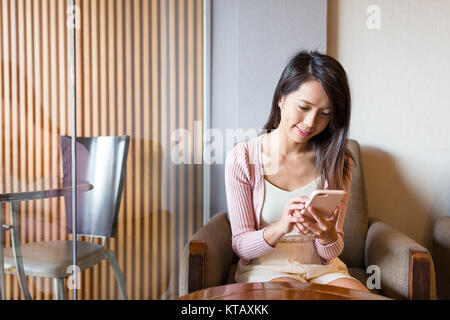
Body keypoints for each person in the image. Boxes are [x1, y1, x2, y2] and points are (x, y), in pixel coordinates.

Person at [224, 50, 370, 293]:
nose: (311, 122)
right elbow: (241, 246)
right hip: (267, 271)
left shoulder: (338, 160)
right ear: (281, 97)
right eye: (304, 107)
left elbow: (330, 254)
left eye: (326, 114)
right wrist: (282, 226)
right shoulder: (243, 158)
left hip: (325, 272)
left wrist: (328, 235)